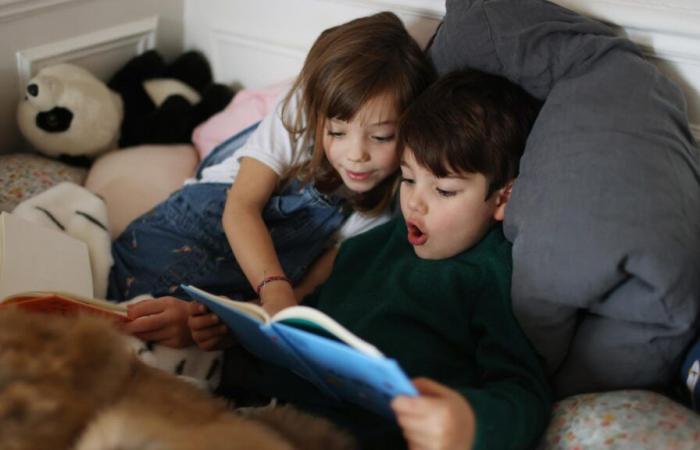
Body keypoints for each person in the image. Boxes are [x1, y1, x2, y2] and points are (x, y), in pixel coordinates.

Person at [191, 70, 551, 449]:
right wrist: (238, 328)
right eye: (409, 179)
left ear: (502, 198)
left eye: (444, 190)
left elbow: (525, 393)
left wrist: (469, 421)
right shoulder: (372, 245)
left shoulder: (489, 274)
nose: (415, 202)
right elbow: (308, 320)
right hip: (265, 407)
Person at [109, 12, 435, 348]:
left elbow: (302, 292)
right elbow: (241, 207)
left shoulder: (384, 211)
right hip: (193, 230)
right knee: (125, 319)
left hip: (245, 286)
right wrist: (273, 288)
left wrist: (229, 321)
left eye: (381, 137)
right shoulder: (299, 111)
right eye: (337, 131)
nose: (355, 154)